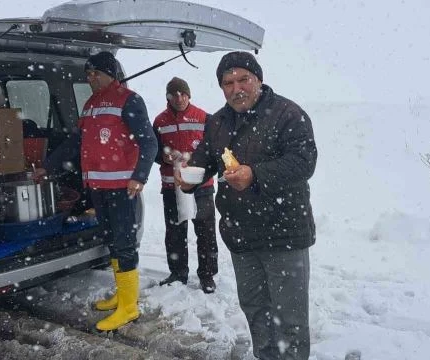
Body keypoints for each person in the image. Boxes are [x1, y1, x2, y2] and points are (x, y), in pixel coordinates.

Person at [176, 51, 317, 359]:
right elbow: (204, 159)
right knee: (256, 311)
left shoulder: (287, 114)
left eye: (243, 79)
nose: (236, 88)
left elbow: (304, 162)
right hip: (241, 236)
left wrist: (255, 174)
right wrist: (189, 175)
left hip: (284, 234)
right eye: (228, 82)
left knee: (289, 319)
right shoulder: (218, 122)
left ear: (259, 80)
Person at [40, 51, 158, 331]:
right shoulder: (91, 104)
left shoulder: (129, 100)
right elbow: (76, 142)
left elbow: (149, 142)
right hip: (97, 186)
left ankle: (129, 307)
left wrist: (139, 177)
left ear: (111, 73)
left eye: (96, 73)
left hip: (122, 187)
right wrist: (49, 166)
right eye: (88, 74)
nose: (91, 78)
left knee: (125, 242)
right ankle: (121, 294)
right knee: (112, 240)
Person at [153, 77, 218, 293]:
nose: (179, 98)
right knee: (174, 232)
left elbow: (213, 151)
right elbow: (153, 151)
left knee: (206, 233)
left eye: (183, 93)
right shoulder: (160, 122)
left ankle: (207, 275)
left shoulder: (204, 117)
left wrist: (196, 161)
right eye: (174, 94)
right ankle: (178, 273)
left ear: (189, 95)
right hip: (172, 187)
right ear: (168, 98)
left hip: (201, 186)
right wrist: (165, 157)